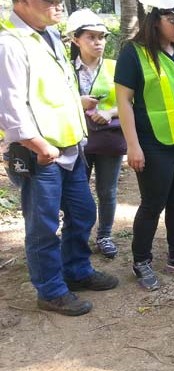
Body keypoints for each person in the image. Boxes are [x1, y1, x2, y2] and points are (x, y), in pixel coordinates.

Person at [0, 0, 118, 316]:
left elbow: (52, 88)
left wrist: (76, 103)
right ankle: (51, 290)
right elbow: (10, 108)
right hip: (40, 154)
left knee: (82, 213)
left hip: (69, 148)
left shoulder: (49, 34)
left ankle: (76, 271)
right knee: (43, 227)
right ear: (22, 2)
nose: (58, 4)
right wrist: (39, 146)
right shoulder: (10, 43)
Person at [115, 0, 174, 290]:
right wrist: (133, 145)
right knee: (153, 203)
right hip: (152, 142)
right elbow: (123, 102)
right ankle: (141, 260)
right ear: (156, 19)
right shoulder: (134, 53)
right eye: (173, 20)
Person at [67, 9, 126, 260]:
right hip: (75, 140)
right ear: (75, 39)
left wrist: (111, 112)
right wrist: (75, 101)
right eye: (91, 37)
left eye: (101, 37)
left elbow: (131, 103)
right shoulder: (66, 70)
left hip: (108, 139)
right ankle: (76, 236)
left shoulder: (115, 67)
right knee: (76, 191)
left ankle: (104, 236)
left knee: (107, 190)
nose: (98, 42)